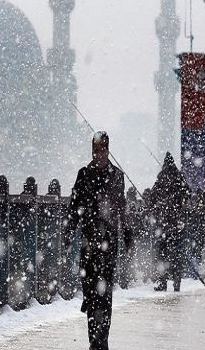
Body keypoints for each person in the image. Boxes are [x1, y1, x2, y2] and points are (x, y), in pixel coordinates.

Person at [65, 131, 132, 350]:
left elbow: (121, 207)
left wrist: (127, 231)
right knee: (90, 292)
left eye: (102, 149)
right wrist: (68, 231)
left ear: (108, 149)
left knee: (104, 293)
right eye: (95, 150)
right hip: (88, 244)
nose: (99, 154)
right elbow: (75, 207)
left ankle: (101, 339)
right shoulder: (83, 175)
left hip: (108, 244)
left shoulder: (117, 176)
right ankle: (94, 333)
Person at [150, 152, 191, 291]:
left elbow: (152, 198)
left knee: (162, 255)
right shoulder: (179, 178)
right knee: (177, 255)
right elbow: (188, 193)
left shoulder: (161, 178)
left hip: (163, 225)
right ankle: (177, 283)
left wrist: (156, 207)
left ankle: (163, 282)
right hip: (177, 224)